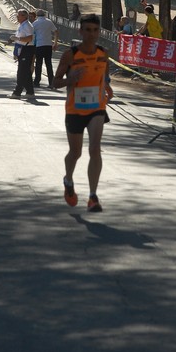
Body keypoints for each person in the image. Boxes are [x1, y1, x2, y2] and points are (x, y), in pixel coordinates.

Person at [53, 13, 113, 213]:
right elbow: (55, 82)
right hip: (75, 110)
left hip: (97, 108)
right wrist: (70, 80)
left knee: (95, 149)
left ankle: (93, 197)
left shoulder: (103, 53)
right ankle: (68, 180)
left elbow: (103, 76)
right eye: (87, 30)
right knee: (76, 152)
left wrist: (107, 88)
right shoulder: (70, 55)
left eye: (95, 30)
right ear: (80, 31)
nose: (91, 34)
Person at [8, 9, 35, 99]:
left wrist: (17, 38)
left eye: (19, 15)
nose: (17, 17)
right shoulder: (21, 25)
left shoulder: (27, 26)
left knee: (21, 72)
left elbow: (29, 38)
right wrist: (14, 39)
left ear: (24, 16)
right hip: (21, 49)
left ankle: (17, 92)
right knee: (26, 72)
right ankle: (30, 92)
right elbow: (19, 37)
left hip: (27, 49)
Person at [32, 9, 58, 88]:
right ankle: (51, 82)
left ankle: (37, 81)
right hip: (48, 45)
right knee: (48, 64)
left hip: (39, 45)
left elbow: (32, 34)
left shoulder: (35, 23)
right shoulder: (49, 22)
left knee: (38, 64)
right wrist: (55, 43)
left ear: (37, 16)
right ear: (44, 15)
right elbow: (56, 31)